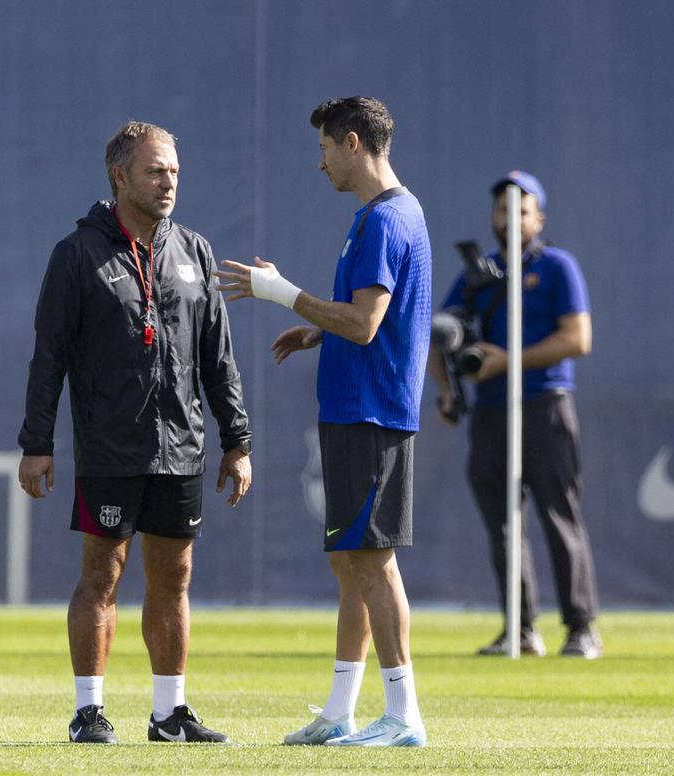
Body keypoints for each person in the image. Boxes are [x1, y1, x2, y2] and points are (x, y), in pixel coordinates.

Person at [17, 121, 253, 745]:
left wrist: (238, 441)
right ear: (120, 177)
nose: (168, 180)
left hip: (182, 447)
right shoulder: (78, 253)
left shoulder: (195, 251)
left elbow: (218, 358)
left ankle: (169, 714)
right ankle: (88, 713)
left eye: (173, 169)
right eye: (155, 170)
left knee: (174, 579)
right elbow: (50, 356)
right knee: (102, 576)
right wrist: (36, 443)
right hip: (109, 448)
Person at [216, 96, 430, 747]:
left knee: (374, 561)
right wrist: (314, 332)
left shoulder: (386, 221)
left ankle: (402, 715)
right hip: (352, 407)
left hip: (371, 411)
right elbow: (372, 318)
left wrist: (281, 292)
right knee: (350, 561)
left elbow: (365, 325)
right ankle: (341, 710)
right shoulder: (381, 217)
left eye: (325, 148)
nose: (321, 163)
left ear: (355, 143)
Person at [429, 171, 601, 659]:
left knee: (558, 515)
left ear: (539, 217)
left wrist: (510, 359)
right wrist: (446, 391)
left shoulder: (557, 267)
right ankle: (521, 628)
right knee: (502, 522)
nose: (510, 218)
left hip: (545, 404)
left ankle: (581, 626)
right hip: (489, 408)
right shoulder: (477, 273)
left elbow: (578, 339)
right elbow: (437, 334)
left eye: (521, 209)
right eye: (502, 209)